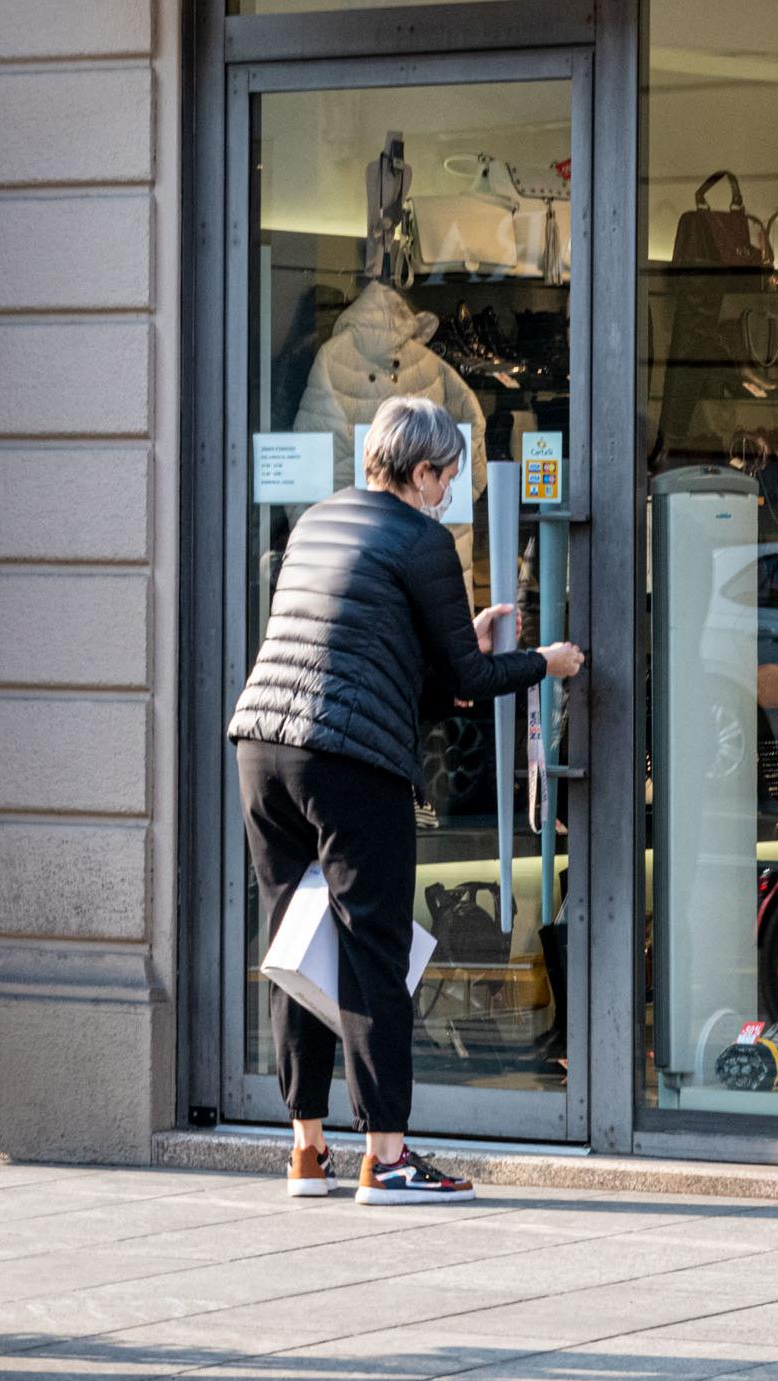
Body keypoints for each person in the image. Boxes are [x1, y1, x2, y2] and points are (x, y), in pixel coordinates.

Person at [228, 395, 585, 1206]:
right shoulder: (423, 539)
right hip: (348, 762)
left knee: (296, 947)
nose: (446, 496)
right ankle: (386, 1157)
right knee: (370, 949)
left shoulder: (318, 520)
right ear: (421, 471)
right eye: (446, 480)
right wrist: (543, 661)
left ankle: (305, 1151)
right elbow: (465, 680)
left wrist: (468, 630)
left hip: (260, 747)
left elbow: (374, 648)